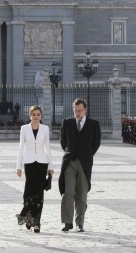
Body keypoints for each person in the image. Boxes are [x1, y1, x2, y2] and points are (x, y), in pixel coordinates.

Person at [59, 98, 101, 232]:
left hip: (85, 163)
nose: (77, 113)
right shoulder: (67, 122)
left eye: (80, 110)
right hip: (70, 161)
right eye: (75, 110)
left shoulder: (94, 124)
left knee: (82, 193)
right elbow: (63, 142)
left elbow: (96, 143)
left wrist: (87, 155)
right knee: (68, 192)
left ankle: (80, 222)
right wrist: (70, 152)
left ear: (85, 110)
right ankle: (67, 222)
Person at [16, 105, 54, 233]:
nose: (36, 116)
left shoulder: (45, 128)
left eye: (38, 114)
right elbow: (21, 147)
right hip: (29, 162)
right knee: (29, 191)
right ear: (30, 115)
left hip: (42, 162)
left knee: (39, 193)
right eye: (34, 114)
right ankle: (27, 217)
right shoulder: (24, 128)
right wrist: (18, 166)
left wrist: (51, 167)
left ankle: (36, 222)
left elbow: (47, 147)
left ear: (41, 116)